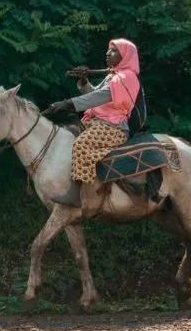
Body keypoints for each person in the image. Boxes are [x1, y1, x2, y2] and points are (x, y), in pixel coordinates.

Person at [43, 38, 143, 207]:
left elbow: (98, 97)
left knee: (81, 144)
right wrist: (83, 81)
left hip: (114, 127)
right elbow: (95, 94)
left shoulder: (127, 77)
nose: (107, 53)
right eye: (108, 49)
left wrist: (68, 103)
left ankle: (77, 195)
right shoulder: (114, 76)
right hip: (98, 121)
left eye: (114, 50)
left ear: (126, 56)